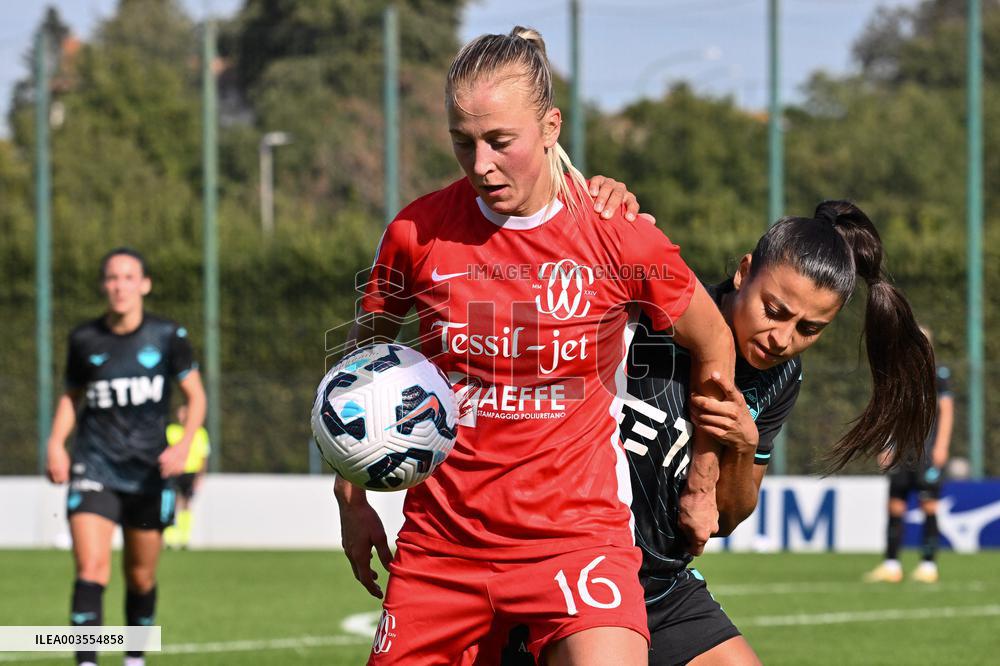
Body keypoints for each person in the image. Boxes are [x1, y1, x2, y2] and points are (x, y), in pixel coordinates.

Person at [334, 26, 737, 665]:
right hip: (442, 549)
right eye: (462, 143)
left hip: (577, 543)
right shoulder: (417, 233)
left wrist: (704, 481)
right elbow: (358, 371)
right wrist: (350, 498)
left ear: (550, 127)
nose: (481, 164)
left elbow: (716, 343)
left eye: (500, 141)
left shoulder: (617, 236)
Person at [483, 201, 938, 665]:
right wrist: (600, 205)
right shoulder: (653, 312)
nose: (782, 338)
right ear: (744, 272)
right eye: (774, 310)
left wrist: (741, 447)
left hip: (661, 589)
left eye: (809, 328)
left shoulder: (782, 378)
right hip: (568, 577)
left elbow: (728, 518)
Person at [45, 247, 206, 666]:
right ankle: (86, 661)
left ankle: (134, 658)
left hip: (149, 476)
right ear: (104, 285)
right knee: (91, 569)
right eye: (112, 278)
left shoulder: (168, 336)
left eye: (128, 277)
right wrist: (55, 443)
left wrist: (185, 443)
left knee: (140, 576)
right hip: (93, 466)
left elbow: (196, 396)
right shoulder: (84, 340)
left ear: (144, 285)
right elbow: (70, 397)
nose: (119, 286)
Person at [866, 326, 953, 584]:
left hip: (926, 451)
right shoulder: (899, 374)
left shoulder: (938, 374)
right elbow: (891, 414)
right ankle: (891, 564)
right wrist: (887, 445)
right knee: (894, 507)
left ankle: (928, 566)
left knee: (929, 506)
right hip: (902, 453)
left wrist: (941, 446)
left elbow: (947, 411)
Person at [162, 405, 211, 550]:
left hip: (191, 472)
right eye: (181, 414)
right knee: (171, 503)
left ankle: (184, 537)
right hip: (173, 472)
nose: (182, 417)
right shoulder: (171, 430)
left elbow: (204, 456)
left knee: (186, 503)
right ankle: (169, 537)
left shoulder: (200, 433)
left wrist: (200, 475)